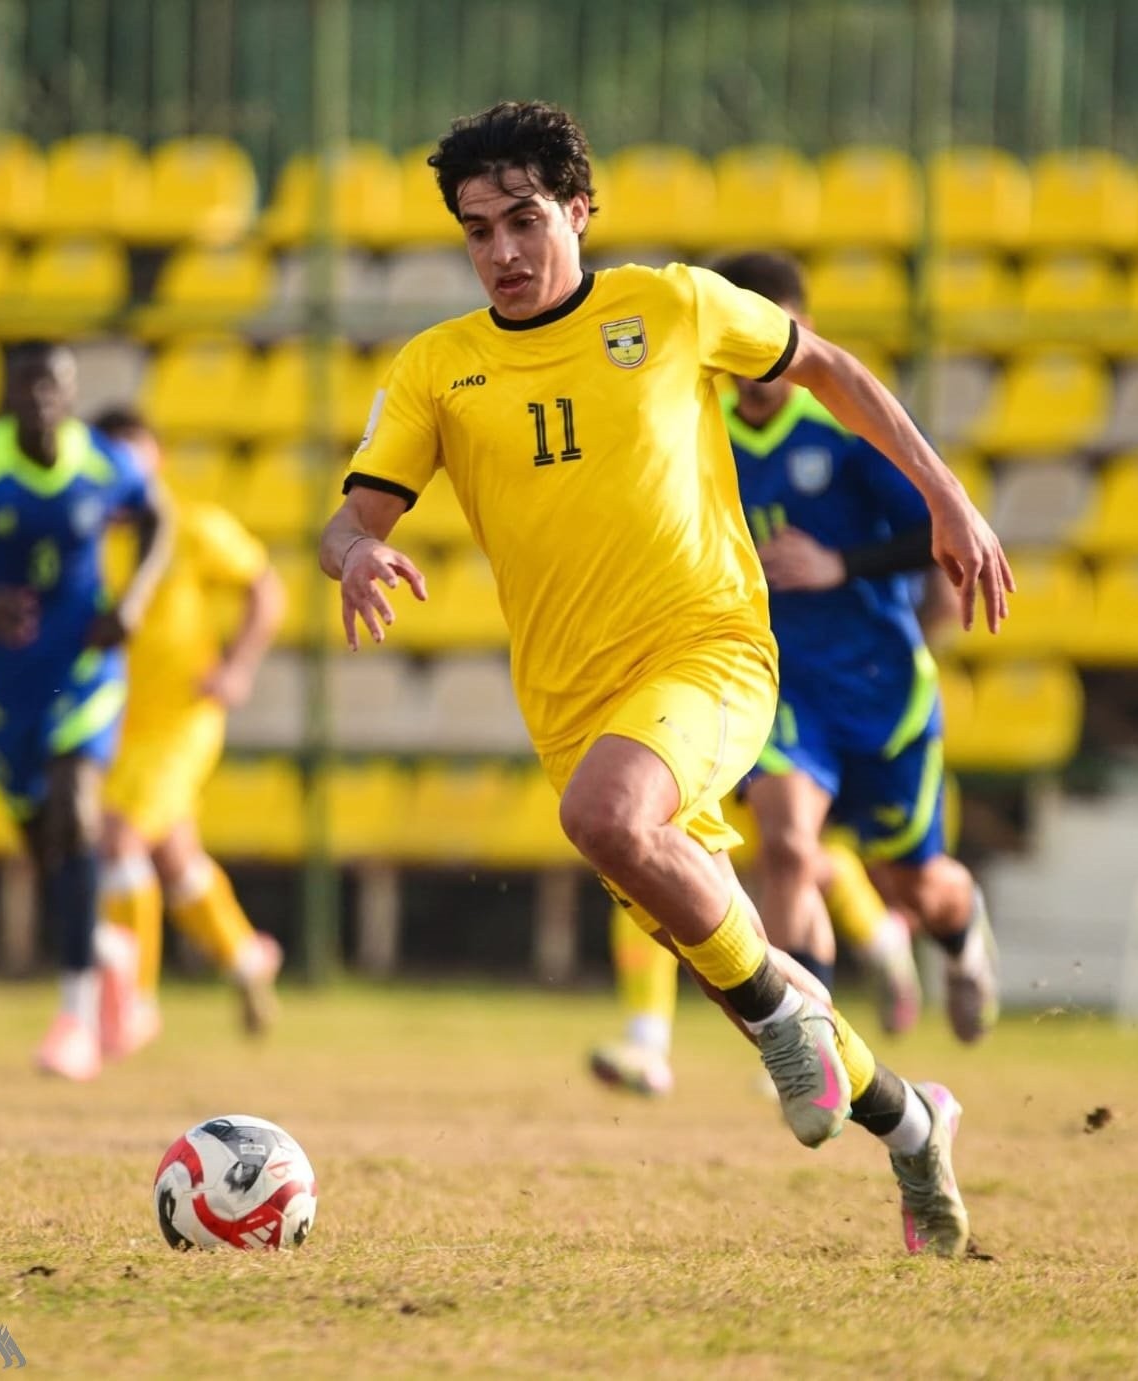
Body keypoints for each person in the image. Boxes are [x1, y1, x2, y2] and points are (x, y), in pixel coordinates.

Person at [317, 100, 1012, 1257]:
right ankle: (908, 1121)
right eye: (477, 229)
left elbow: (827, 365)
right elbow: (345, 521)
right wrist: (357, 554)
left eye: (525, 219)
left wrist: (945, 495)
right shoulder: (438, 368)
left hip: (712, 651)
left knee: (605, 819)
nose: (502, 251)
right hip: (573, 704)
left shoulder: (673, 304)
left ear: (579, 211)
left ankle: (795, 1029)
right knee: (738, 955)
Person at [0, 343, 171, 1080]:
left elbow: (158, 516)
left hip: (85, 675)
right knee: (48, 851)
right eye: (26, 387)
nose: (41, 401)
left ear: (71, 392)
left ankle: (76, 1020)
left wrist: (135, 597)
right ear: (6, 392)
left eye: (54, 387)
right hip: (6, 690)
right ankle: (105, 947)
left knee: (77, 807)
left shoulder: (99, 461)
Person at [90, 407, 287, 1055]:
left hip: (182, 720)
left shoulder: (190, 526)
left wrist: (237, 669)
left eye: (133, 455)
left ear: (157, 459)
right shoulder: (84, 537)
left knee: (120, 837)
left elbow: (265, 587)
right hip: (115, 721)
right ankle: (244, 957)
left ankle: (134, 1001)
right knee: (174, 858)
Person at [592, 838, 921, 1098]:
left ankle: (882, 943)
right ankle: (647, 1043)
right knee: (644, 878)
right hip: (709, 784)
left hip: (772, 773)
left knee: (804, 864)